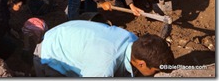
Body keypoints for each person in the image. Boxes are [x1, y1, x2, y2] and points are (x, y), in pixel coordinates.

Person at [33, 20, 174, 77]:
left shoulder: (134, 41)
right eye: (156, 71)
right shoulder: (103, 67)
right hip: (49, 57)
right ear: (141, 63)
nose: (156, 75)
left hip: (66, 37)